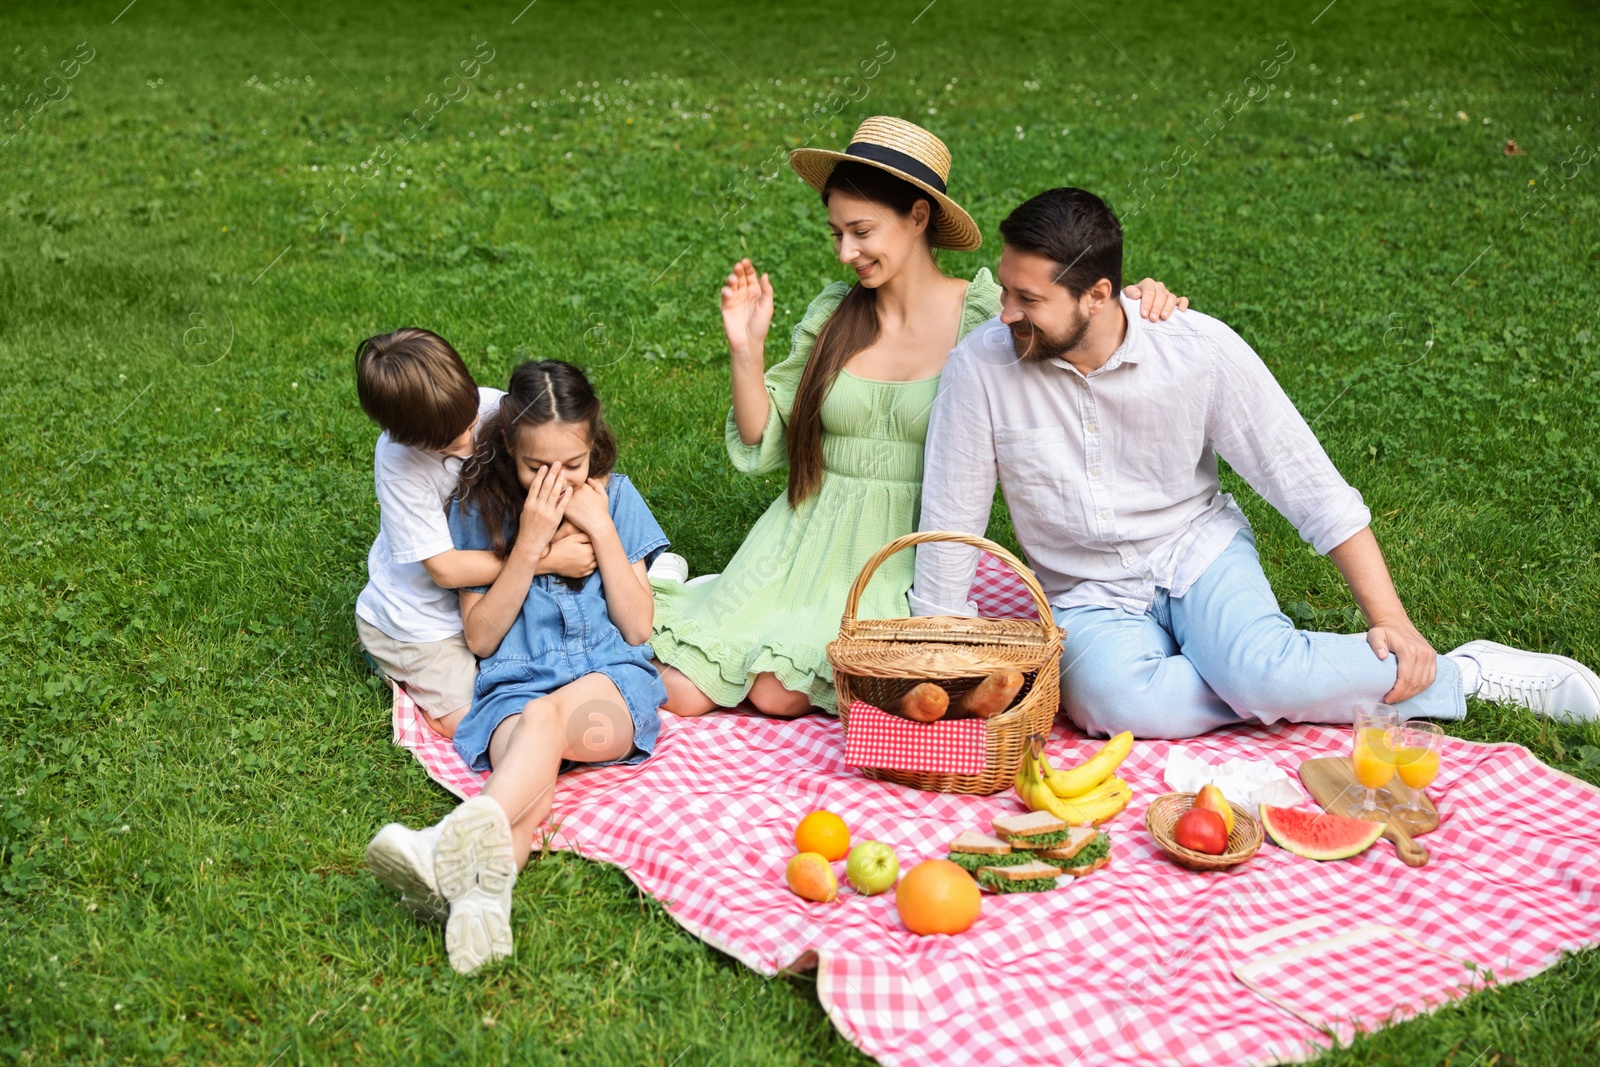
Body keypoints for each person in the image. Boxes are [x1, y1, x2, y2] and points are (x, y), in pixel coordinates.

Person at [912, 187, 1600, 737]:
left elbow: (1307, 484)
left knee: (1259, 673)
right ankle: (1267, 674)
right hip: (1086, 593)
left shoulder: (1196, 349)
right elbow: (952, 513)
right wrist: (935, 660)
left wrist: (1390, 617)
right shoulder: (981, 368)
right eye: (1006, 290)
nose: (1004, 314)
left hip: (1197, 552)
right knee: (1114, 705)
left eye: (1028, 299)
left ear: (1099, 294)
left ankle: (1462, 673)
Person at [649, 116, 1186, 719]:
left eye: (861, 231)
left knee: (778, 692)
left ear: (918, 218)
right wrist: (745, 350)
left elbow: (1074, 329)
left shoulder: (986, 316)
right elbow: (761, 439)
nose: (846, 252)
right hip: (799, 537)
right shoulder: (836, 313)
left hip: (903, 550)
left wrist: (1132, 300)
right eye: (837, 233)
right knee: (681, 688)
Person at [365, 360, 671, 975]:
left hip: (607, 688)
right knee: (534, 726)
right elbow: (479, 639)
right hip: (512, 692)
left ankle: (443, 839)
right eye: (537, 468)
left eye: (574, 466)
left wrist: (603, 530)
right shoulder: (479, 508)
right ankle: (483, 897)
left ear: (593, 446)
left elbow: (639, 627)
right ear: (506, 445)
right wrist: (529, 546)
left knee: (548, 718)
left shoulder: (619, 496)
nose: (556, 482)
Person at [352, 328, 599, 739]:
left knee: (540, 686)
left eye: (469, 424)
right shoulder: (399, 464)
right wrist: (547, 556)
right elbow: (445, 572)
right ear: (405, 437)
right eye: (449, 444)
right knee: (478, 719)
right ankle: (392, 660)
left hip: (491, 590)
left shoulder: (489, 407)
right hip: (423, 620)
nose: (469, 441)